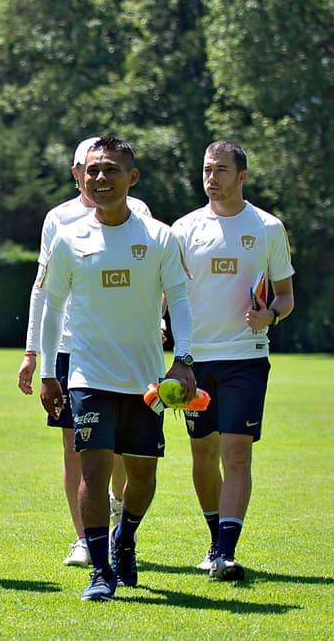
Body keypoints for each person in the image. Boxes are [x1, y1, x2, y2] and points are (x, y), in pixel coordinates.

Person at [37, 136, 196, 602]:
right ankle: (101, 570)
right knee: (93, 473)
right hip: (88, 375)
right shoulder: (68, 237)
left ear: (133, 177)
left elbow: (181, 301)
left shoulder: (160, 237)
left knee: (143, 476)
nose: (100, 178)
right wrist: (49, 371)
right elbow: (51, 306)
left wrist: (183, 360)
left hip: (147, 380)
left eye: (111, 170)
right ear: (82, 177)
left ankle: (126, 537)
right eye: (93, 171)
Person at [18, 137, 152, 566]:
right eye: (83, 168)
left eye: (99, 167)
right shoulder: (57, 219)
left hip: (122, 346)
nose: (90, 176)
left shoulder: (141, 213)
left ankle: (115, 513)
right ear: (75, 171)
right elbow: (44, 290)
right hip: (70, 346)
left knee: (114, 450)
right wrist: (33, 352)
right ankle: (84, 538)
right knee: (75, 445)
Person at [171, 140, 295, 582]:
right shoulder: (183, 229)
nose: (211, 178)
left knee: (236, 454)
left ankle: (226, 552)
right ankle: (213, 539)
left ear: (241, 177)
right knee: (202, 454)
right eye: (207, 169)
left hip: (246, 357)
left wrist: (271, 315)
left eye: (221, 170)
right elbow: (167, 292)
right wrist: (161, 325)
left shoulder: (267, 228)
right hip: (195, 361)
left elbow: (286, 295)